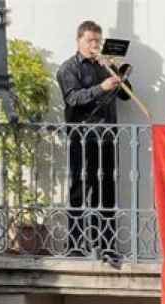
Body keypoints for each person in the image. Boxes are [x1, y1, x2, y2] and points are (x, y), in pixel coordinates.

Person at [56, 20, 131, 260]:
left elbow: (126, 96)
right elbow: (74, 99)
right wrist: (101, 87)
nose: (94, 45)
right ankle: (76, 246)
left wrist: (116, 71)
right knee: (80, 189)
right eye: (89, 40)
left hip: (107, 137)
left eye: (98, 41)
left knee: (106, 191)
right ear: (78, 41)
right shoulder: (68, 68)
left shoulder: (104, 65)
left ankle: (106, 246)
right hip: (83, 136)